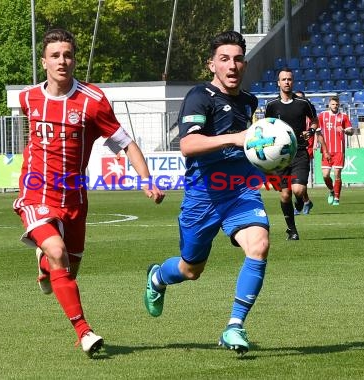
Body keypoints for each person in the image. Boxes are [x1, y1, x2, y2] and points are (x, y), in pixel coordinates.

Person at [13, 28, 165, 357]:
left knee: (65, 269)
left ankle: (45, 266)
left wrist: (146, 179)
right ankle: (84, 332)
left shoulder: (92, 102)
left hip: (75, 198)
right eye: (55, 55)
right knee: (57, 252)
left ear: (74, 59)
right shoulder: (28, 99)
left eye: (67, 55)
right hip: (35, 192)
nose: (62, 61)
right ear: (44, 62)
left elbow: (125, 143)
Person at [143, 31, 270, 356]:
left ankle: (234, 326)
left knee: (258, 246)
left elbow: (248, 148)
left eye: (238, 59)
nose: (232, 65)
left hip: (241, 192)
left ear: (245, 63)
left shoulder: (249, 102)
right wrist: (234, 138)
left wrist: (267, 163)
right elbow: (188, 145)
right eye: (224, 59)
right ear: (211, 63)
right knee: (191, 270)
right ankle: (158, 277)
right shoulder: (200, 97)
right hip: (203, 197)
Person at [264, 68, 318, 240]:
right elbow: (266, 127)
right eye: (283, 79)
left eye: (289, 79)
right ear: (278, 83)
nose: (287, 82)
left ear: (293, 82)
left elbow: (315, 121)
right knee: (285, 193)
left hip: (300, 152)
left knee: (298, 189)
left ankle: (301, 200)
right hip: (280, 157)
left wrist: (310, 130)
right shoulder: (271, 106)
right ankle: (292, 230)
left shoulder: (303, 103)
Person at [316, 95, 354, 206]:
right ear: (329, 104)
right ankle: (332, 191)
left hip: (339, 151)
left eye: (337, 104)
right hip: (326, 151)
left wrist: (344, 131)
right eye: (333, 104)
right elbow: (318, 132)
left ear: (339, 105)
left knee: (337, 174)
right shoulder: (322, 116)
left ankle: (337, 197)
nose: (335, 106)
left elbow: (351, 131)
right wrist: (320, 146)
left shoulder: (343, 116)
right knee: (325, 175)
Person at [293, 90, 315, 216]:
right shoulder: (293, 116)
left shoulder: (310, 116)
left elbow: (318, 132)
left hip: (308, 149)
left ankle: (303, 202)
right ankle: (306, 201)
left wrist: (318, 145)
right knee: (298, 181)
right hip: (296, 150)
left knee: (300, 181)